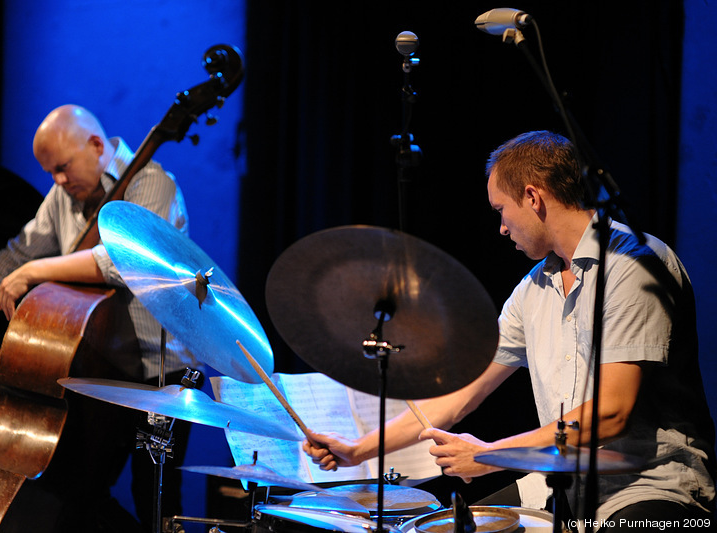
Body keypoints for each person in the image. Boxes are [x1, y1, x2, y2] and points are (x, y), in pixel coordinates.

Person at [303, 131, 716, 530]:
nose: (501, 228)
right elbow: (459, 397)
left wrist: (491, 455)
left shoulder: (631, 265)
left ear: (533, 197)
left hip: (650, 488)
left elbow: (610, 412)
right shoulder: (533, 289)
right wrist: (357, 451)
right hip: (562, 487)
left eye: (501, 210)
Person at [0, 104, 199, 531]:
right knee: (75, 492)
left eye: (63, 168)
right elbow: (20, 250)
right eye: (51, 172)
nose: (58, 181)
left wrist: (34, 273)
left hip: (161, 372)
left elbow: (119, 262)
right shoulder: (65, 193)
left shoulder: (152, 184)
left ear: (94, 145)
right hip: (105, 370)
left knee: (154, 503)